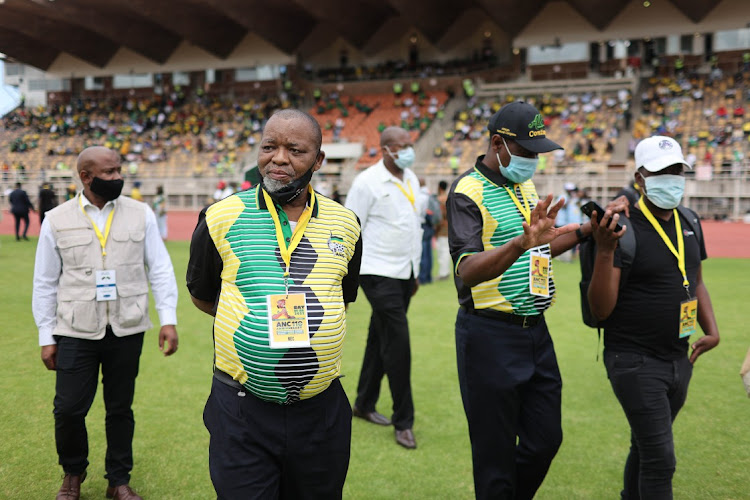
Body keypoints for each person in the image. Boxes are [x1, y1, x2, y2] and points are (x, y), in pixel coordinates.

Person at [187, 109, 362, 499]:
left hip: (322, 412)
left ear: (318, 161)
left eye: (295, 150)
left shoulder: (346, 223)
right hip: (242, 409)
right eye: (269, 146)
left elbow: (341, 298)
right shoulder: (220, 216)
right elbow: (202, 294)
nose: (279, 159)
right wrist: (252, 323)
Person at [447, 101, 590, 499]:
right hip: (488, 336)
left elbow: (538, 248)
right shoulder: (466, 192)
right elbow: (468, 268)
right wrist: (521, 242)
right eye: (529, 152)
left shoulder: (523, 185)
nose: (535, 161)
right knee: (494, 458)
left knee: (546, 440)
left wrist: (582, 231)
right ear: (498, 144)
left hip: (535, 332)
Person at [32, 146, 179, 500]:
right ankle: (73, 472)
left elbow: (159, 267)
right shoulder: (55, 219)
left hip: (127, 327)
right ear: (86, 176)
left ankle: (118, 480)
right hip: (74, 330)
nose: (118, 177)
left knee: (119, 409)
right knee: (68, 409)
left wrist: (168, 319)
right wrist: (45, 335)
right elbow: (45, 281)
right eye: (109, 172)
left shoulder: (141, 213)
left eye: (118, 170)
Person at [587, 135, 720, 499]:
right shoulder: (622, 228)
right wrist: (603, 250)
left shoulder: (690, 220)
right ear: (641, 178)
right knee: (661, 460)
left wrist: (713, 330)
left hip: (679, 359)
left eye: (678, 169)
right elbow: (600, 310)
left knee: (644, 448)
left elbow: (696, 280)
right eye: (662, 171)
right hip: (634, 360)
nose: (673, 177)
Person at [345, 126, 422, 449]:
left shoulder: (411, 178)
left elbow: (412, 226)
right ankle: (404, 421)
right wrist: (345, 279)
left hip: (404, 272)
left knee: (380, 338)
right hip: (376, 273)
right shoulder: (366, 182)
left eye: (410, 144)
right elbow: (350, 228)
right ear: (386, 149)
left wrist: (415, 271)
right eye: (402, 146)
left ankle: (363, 403)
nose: (408, 150)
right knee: (398, 344)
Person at [435, 180, 451, 280]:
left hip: (442, 227)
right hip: (449, 227)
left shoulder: (440, 199)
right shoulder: (449, 198)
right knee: (445, 250)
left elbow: (439, 216)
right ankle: (445, 271)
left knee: (443, 250)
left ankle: (443, 273)